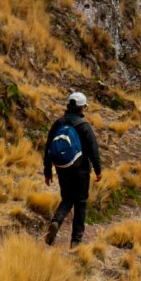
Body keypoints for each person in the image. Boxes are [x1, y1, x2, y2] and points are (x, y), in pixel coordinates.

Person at [44, 92, 102, 248]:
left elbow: (48, 148)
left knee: (67, 199)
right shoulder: (84, 126)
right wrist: (98, 170)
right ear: (83, 108)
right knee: (80, 202)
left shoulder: (58, 124)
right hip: (81, 171)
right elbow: (93, 150)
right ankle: (76, 240)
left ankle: (56, 221)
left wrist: (47, 172)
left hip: (62, 169)